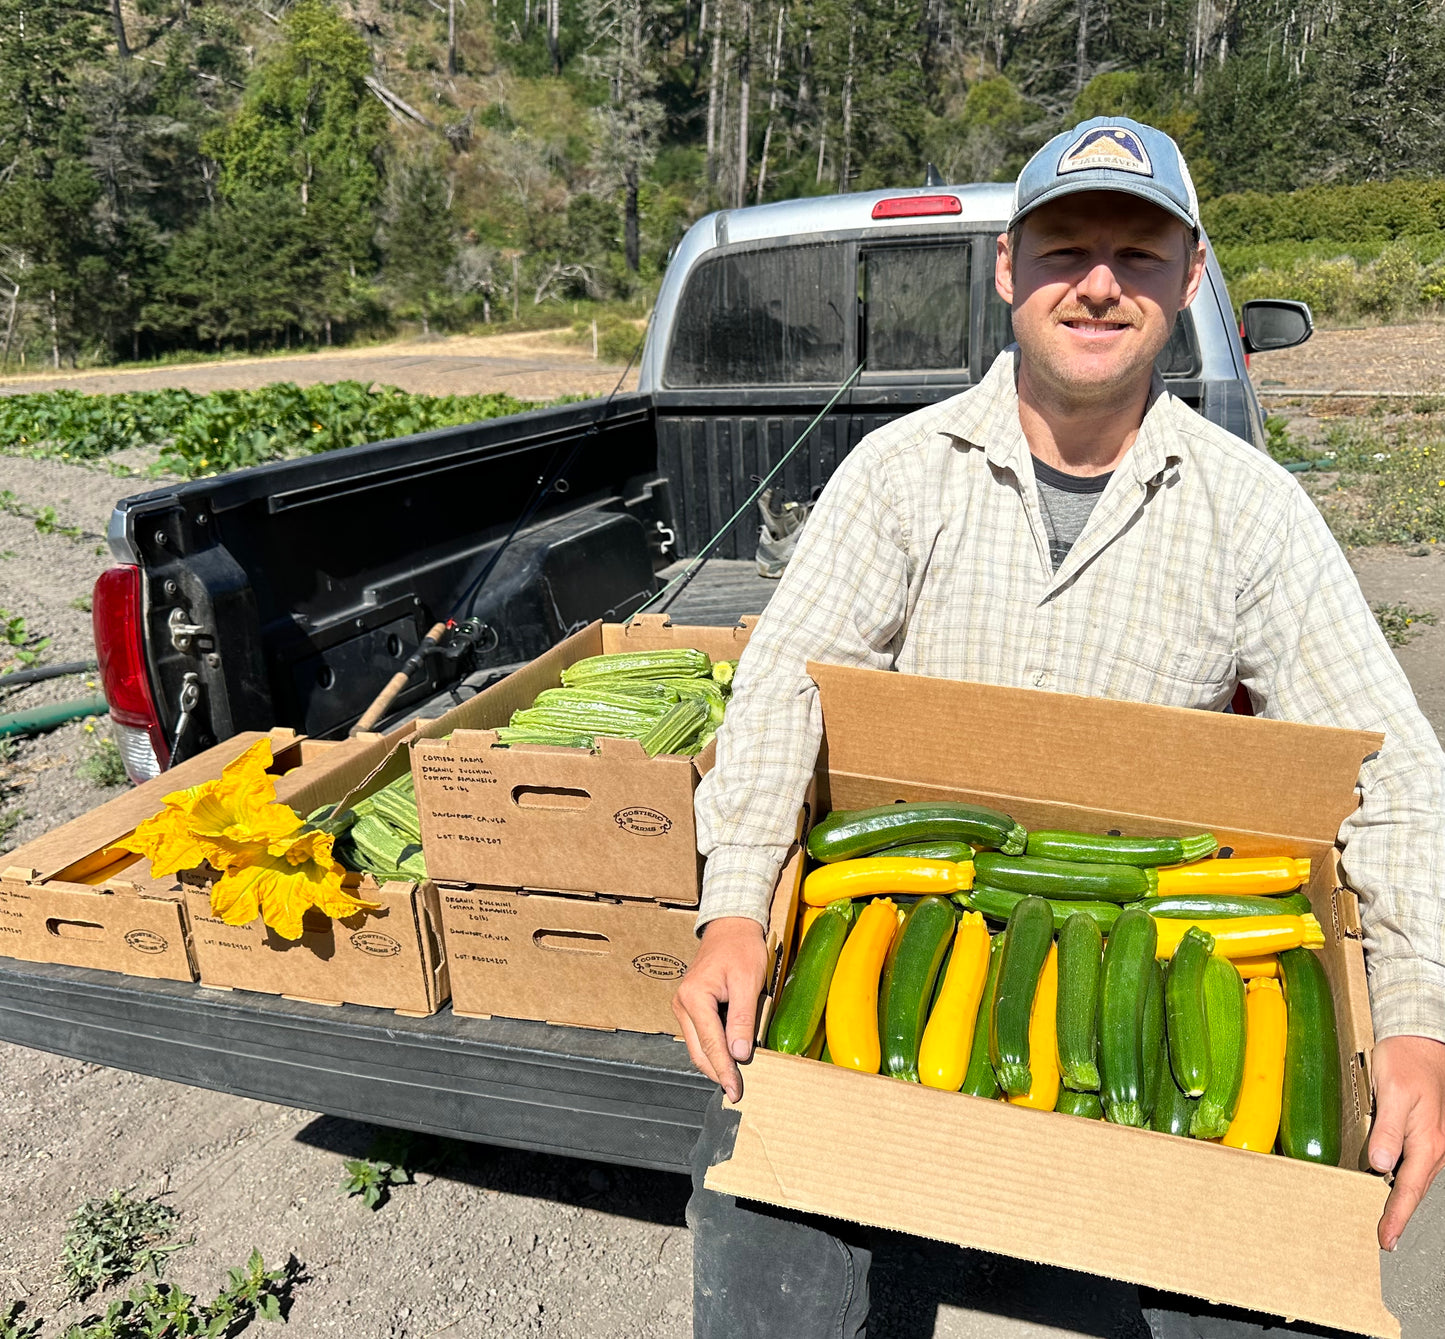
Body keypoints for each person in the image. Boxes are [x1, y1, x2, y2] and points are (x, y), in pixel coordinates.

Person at [672, 116, 1445, 1338]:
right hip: (911, 903)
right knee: (755, 1181)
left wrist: (1409, 1019)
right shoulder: (896, 472)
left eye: (1136, 256)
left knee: (1273, 1257)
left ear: (1187, 279)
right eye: (1064, 248)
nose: (1097, 282)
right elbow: (786, 691)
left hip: (1147, 934)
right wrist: (732, 907)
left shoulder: (1252, 511)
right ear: (1006, 269)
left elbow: (1391, 772)